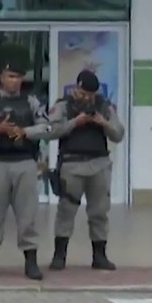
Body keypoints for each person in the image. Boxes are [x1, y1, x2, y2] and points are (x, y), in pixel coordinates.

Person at [0, 61, 53, 280]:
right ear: (1, 78)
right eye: (10, 76)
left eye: (18, 77)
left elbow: (46, 126)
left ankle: (31, 261)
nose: (14, 81)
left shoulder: (31, 101)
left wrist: (24, 132)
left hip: (25, 161)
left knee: (27, 214)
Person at [46, 70, 125, 271]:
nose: (88, 97)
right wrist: (75, 122)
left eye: (91, 93)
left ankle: (100, 256)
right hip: (72, 165)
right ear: (77, 87)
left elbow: (118, 134)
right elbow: (51, 132)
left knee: (99, 211)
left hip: (99, 164)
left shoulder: (103, 106)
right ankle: (59, 256)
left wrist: (103, 122)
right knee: (66, 211)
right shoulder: (63, 105)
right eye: (84, 92)